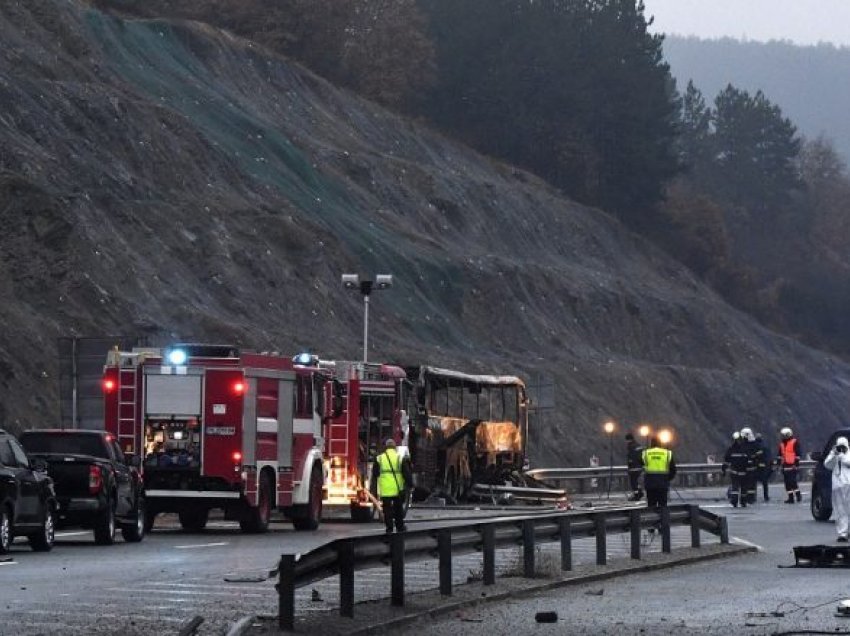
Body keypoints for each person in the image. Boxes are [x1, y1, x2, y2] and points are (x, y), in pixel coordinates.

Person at [371, 438, 413, 534]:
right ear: (394, 447)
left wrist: (374, 488)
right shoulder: (399, 458)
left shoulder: (380, 458)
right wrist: (410, 484)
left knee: (387, 510)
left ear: (385, 447)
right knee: (398, 509)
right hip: (397, 489)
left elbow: (375, 473)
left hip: (385, 489)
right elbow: (406, 473)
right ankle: (400, 527)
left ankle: (389, 528)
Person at [823, 436, 850, 541]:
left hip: (848, 483)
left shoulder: (848, 454)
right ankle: (842, 533)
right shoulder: (834, 453)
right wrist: (834, 454)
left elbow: (848, 462)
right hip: (837, 485)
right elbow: (827, 465)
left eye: (843, 446)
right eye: (839, 446)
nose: (841, 448)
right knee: (840, 510)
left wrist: (842, 455)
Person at [641, 436, 676, 508]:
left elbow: (639, 465)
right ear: (660, 443)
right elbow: (673, 470)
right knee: (663, 507)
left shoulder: (646, 453)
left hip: (650, 484)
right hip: (663, 484)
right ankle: (664, 519)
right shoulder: (667, 453)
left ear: (651, 443)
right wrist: (667, 478)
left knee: (651, 506)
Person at [723, 431, 750, 508]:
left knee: (735, 488)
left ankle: (735, 502)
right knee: (743, 489)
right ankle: (743, 502)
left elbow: (727, 460)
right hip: (743, 473)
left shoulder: (731, 449)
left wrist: (724, 469)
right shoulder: (745, 449)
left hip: (735, 473)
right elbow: (749, 460)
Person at [777, 427, 803, 503]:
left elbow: (798, 454)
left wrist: (796, 464)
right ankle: (790, 498)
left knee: (793, 482)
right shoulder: (782, 444)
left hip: (792, 465)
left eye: (784, 435)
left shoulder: (794, 442)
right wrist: (779, 464)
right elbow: (779, 455)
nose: (783, 436)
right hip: (785, 466)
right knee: (787, 483)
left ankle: (798, 495)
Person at [739, 428, 764, 505]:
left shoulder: (754, 444)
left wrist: (754, 456)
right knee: (745, 483)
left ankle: (751, 498)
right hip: (744, 467)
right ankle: (745, 497)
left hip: (752, 467)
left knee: (752, 484)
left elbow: (760, 452)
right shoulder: (742, 444)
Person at [625, 433, 644, 501]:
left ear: (628, 440)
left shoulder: (630, 446)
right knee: (636, 481)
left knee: (633, 482)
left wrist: (630, 464)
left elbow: (631, 456)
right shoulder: (639, 445)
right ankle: (640, 491)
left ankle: (636, 494)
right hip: (640, 466)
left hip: (633, 467)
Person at [755, 432, 773, 502]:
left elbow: (754, 455)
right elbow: (768, 456)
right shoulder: (765, 445)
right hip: (764, 467)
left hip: (757, 467)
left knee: (753, 482)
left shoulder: (754, 445)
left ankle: (753, 497)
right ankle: (766, 496)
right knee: (765, 483)